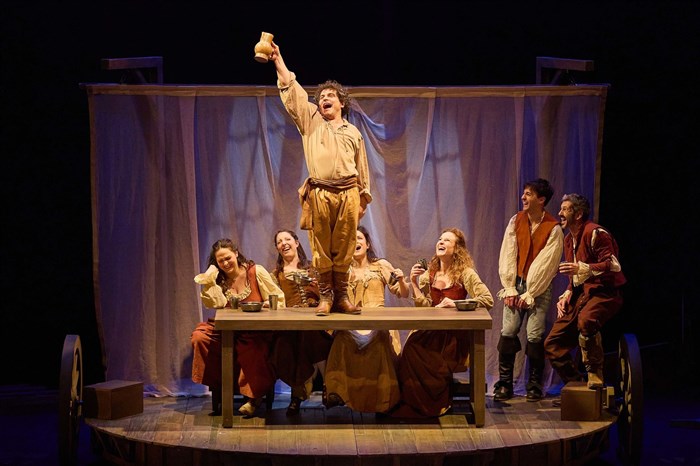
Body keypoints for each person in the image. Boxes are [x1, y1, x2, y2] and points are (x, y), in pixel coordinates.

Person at [269, 41, 372, 317]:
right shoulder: (311, 122)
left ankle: (342, 298)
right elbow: (292, 90)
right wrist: (278, 60)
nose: (324, 98)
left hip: (348, 193)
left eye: (330, 95)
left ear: (341, 103)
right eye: (321, 96)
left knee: (345, 246)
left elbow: (362, 169)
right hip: (320, 194)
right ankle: (326, 297)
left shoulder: (353, 132)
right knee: (321, 247)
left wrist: (363, 199)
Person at [392, 228, 494, 417]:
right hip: (432, 331)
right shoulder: (430, 274)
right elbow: (422, 306)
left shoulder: (465, 273)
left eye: (447, 240)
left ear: (457, 249)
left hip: (453, 334)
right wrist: (413, 282)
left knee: (429, 356)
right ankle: (416, 405)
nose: (441, 242)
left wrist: (456, 304)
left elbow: (487, 299)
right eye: (440, 239)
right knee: (411, 348)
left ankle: (437, 404)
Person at [191, 238, 285, 417]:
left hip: (254, 330)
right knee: (200, 337)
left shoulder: (255, 272)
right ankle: (222, 387)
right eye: (221, 261)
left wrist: (266, 304)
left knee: (253, 348)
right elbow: (215, 304)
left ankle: (254, 398)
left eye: (228, 258)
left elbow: (278, 298)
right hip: (227, 329)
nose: (226, 263)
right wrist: (209, 280)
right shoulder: (218, 279)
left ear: (236, 253)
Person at [322, 226, 409, 414]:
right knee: (341, 339)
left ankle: (383, 400)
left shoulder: (380, 266)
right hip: (351, 322)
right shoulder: (343, 270)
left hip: (377, 321)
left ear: (367, 244)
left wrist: (402, 280)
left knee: (378, 341)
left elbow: (402, 293)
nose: (355, 242)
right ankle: (336, 392)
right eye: (351, 240)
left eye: (359, 238)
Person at [544, 194, 626, 389]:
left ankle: (594, 371)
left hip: (605, 292)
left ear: (578, 214)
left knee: (586, 321)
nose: (560, 213)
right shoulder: (568, 240)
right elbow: (576, 278)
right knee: (553, 344)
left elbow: (613, 265)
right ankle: (578, 387)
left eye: (565, 209)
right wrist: (567, 293)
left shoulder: (596, 233)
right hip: (582, 293)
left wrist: (583, 268)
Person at [493, 178, 563, 402]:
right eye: (524, 193)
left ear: (541, 200)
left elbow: (547, 264)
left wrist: (531, 292)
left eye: (529, 194)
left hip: (538, 287)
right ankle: (505, 383)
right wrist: (510, 288)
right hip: (516, 284)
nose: (523, 197)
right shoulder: (516, 220)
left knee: (535, 334)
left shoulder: (553, 228)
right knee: (508, 330)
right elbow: (508, 252)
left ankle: (534, 385)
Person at [268, 229, 333, 416]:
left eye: (287, 239)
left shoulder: (314, 269)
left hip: (316, 320)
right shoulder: (276, 275)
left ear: (296, 242)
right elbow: (274, 300)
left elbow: (329, 295)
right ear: (277, 248)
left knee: (311, 334)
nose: (284, 243)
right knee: (291, 341)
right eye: (279, 241)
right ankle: (305, 390)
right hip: (289, 324)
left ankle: (313, 391)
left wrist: (317, 289)